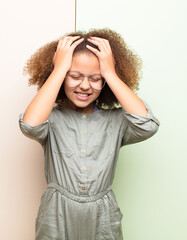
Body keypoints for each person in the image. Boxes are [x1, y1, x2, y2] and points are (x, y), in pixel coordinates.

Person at [19, 28, 160, 240]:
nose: (85, 85)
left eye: (95, 78)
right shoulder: (52, 119)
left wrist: (110, 73)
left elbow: (148, 124)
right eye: (74, 76)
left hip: (103, 214)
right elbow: (30, 125)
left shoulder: (116, 121)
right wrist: (59, 69)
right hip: (56, 213)